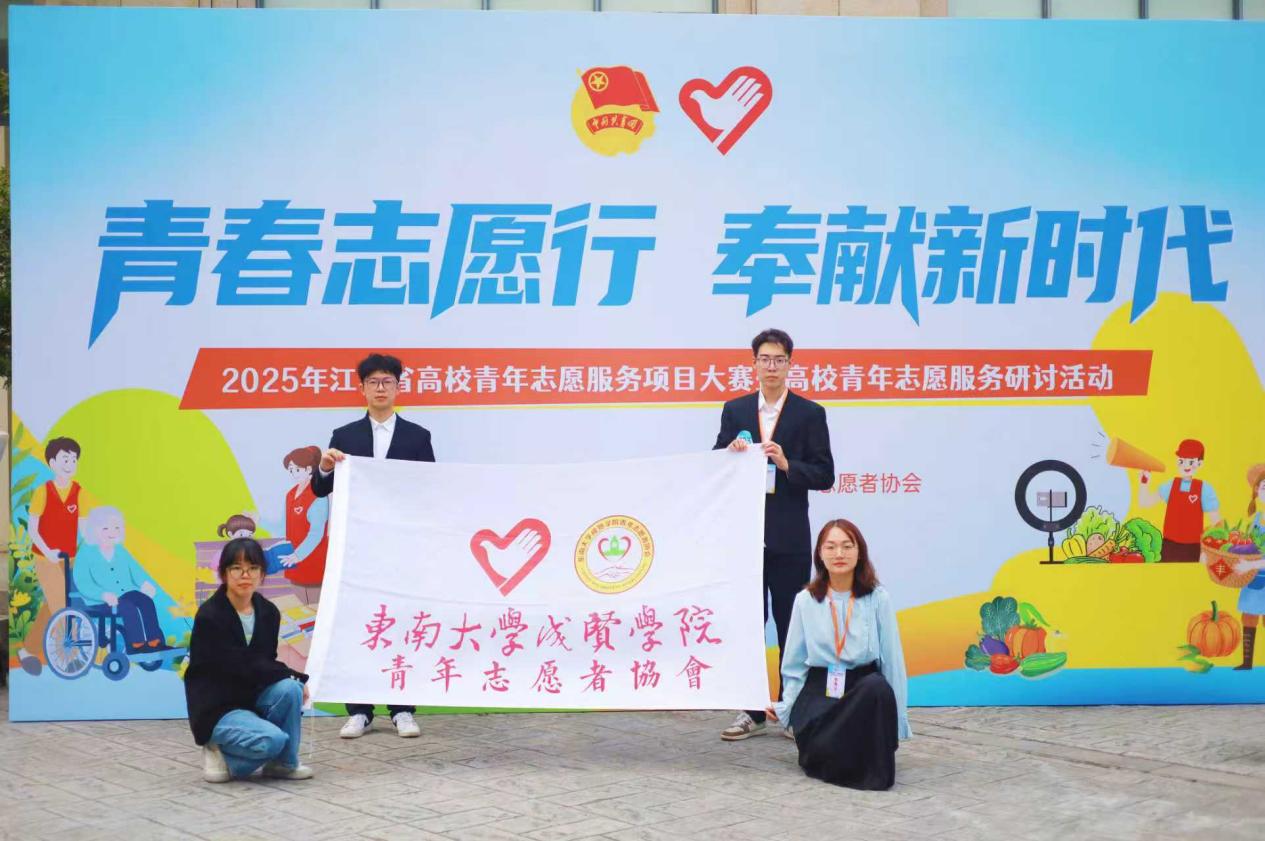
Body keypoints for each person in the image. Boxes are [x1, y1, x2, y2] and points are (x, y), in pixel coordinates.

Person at [714, 328, 834, 741]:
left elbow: (825, 474)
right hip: (745, 538)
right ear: (754, 364)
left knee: (790, 626)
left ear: (789, 364)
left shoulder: (809, 413)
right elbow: (715, 467)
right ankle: (751, 711)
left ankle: (790, 708)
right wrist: (729, 455)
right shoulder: (735, 410)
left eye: (778, 359)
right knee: (749, 625)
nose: (771, 366)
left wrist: (786, 464)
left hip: (789, 537)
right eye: (764, 359)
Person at [314, 352, 434, 740]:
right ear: (362, 388)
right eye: (373, 382)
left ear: (398, 387)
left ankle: (403, 709)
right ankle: (359, 711)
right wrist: (326, 467)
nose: (380, 388)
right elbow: (320, 488)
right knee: (359, 625)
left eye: (387, 381)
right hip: (358, 549)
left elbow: (431, 490)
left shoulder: (418, 437)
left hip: (402, 548)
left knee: (402, 623)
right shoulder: (344, 436)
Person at [766, 519, 910, 790]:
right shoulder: (805, 600)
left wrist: (897, 723)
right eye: (830, 547)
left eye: (847, 546)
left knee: (876, 687)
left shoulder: (878, 598)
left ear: (860, 552)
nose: (839, 554)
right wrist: (786, 709)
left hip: (862, 692)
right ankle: (830, 754)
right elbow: (794, 665)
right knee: (834, 740)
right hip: (819, 696)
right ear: (820, 554)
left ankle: (856, 759)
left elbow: (892, 662)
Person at [185, 537, 313, 783]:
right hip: (219, 708)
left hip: (252, 699)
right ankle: (216, 747)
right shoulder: (211, 615)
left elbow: (265, 661)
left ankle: (284, 764)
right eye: (237, 568)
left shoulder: (268, 612)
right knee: (273, 740)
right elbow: (240, 663)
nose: (245, 575)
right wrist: (294, 673)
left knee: (291, 688)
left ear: (262, 573)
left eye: (253, 568)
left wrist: (294, 679)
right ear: (224, 573)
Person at [18, 437, 99, 675]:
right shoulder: (43, 492)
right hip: (46, 559)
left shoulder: (79, 493)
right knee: (63, 605)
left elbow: (84, 528)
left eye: (74, 459)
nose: (70, 464)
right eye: (65, 458)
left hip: (69, 559)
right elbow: (33, 529)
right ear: (52, 462)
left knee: (51, 606)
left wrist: (96, 547)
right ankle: (70, 658)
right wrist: (47, 552)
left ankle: (27, 651)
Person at [73, 507, 169, 652]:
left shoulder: (120, 550)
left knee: (146, 601)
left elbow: (135, 570)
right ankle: (137, 645)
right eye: (105, 528)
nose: (112, 532)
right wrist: (102, 595)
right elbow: (83, 582)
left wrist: (144, 583)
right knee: (127, 607)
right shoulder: (86, 553)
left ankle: (155, 642)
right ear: (94, 530)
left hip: (124, 592)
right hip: (99, 600)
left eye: (116, 528)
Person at [1139, 439, 1223, 562]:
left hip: (1193, 548)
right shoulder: (1170, 485)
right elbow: (1145, 503)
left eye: (1191, 461)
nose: (1185, 465)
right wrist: (1144, 482)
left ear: (1200, 463)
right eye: (1181, 461)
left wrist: (1212, 548)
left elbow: (1217, 522)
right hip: (1169, 546)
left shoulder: (1205, 489)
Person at [278, 445, 330, 605]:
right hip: (293, 564)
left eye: (297, 469)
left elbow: (316, 533)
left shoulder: (319, 495)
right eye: (290, 470)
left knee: (316, 609)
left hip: (314, 563)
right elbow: (291, 529)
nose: (293, 473)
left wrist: (298, 555)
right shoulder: (290, 494)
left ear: (309, 469)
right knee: (300, 611)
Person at [1232, 462, 1265, 670]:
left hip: (1254, 570)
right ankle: (1247, 662)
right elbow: (1249, 546)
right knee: (1249, 617)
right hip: (1253, 578)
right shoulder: (1257, 519)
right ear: (1257, 491)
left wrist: (1249, 565)